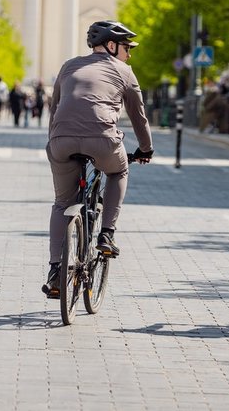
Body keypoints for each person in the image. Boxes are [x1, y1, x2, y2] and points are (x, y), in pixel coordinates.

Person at [42, 20, 154, 298]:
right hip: (103, 139)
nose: (129, 54)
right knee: (119, 172)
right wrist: (146, 148)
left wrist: (55, 141)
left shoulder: (68, 66)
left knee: (61, 203)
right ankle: (106, 235)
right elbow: (139, 116)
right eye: (127, 47)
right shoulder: (124, 71)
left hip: (60, 141)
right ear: (112, 45)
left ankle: (56, 272)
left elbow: (54, 108)